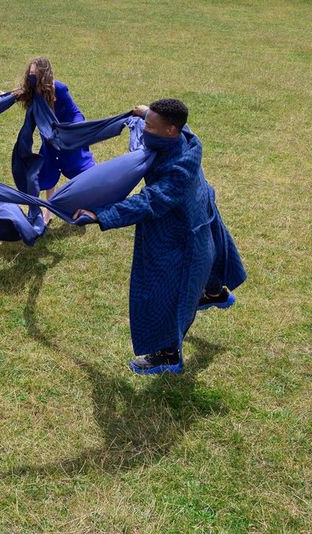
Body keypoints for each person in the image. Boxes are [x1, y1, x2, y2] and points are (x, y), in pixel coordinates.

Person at [73, 99, 245, 375]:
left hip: (181, 231)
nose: (144, 130)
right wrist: (144, 114)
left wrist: (101, 216)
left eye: (150, 126)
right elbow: (173, 122)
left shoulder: (178, 169)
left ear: (170, 131)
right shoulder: (187, 136)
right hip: (200, 214)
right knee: (210, 255)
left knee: (163, 291)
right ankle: (214, 292)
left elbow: (149, 202)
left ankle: (168, 355)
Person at [0, 57, 96, 224]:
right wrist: (6, 96)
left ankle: (87, 207)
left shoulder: (59, 88)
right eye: (30, 73)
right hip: (49, 139)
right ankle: (48, 213)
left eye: (35, 73)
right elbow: (22, 93)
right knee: (45, 173)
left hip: (67, 138)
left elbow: (75, 112)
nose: (32, 76)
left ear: (44, 74)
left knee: (81, 172)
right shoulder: (32, 89)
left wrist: (72, 129)